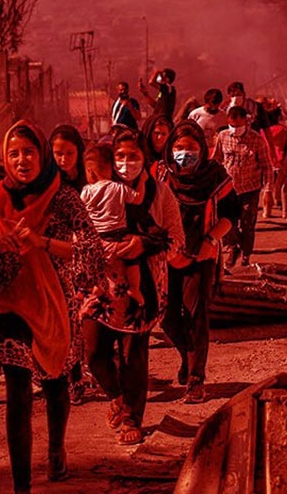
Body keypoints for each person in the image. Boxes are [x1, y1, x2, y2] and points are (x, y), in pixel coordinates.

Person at [0, 121, 105, 492]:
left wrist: (42, 242)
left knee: (55, 381)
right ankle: (22, 485)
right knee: (18, 389)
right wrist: (1, 249)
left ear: (41, 155)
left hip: (51, 302)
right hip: (5, 304)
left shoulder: (62, 196)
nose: (21, 160)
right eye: (13, 153)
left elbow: (90, 249)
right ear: (4, 158)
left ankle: (56, 449)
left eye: (28, 152)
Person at [81, 129, 184, 445]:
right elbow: (78, 231)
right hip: (99, 284)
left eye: (134, 156)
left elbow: (176, 240)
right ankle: (116, 395)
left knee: (133, 355)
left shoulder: (160, 194)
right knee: (92, 352)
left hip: (143, 284)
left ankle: (131, 418)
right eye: (120, 157)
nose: (127, 163)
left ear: (145, 158)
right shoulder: (97, 191)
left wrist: (143, 244)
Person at [160, 121, 239, 404]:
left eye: (191, 147)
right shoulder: (161, 176)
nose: (185, 153)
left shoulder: (216, 177)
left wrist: (211, 240)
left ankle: (196, 380)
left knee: (196, 317)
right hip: (167, 256)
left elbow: (231, 214)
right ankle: (186, 355)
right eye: (179, 147)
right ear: (171, 149)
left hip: (202, 256)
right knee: (166, 319)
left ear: (202, 149)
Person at [79, 143, 145, 307]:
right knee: (132, 260)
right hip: (118, 236)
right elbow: (138, 199)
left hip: (96, 237)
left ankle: (94, 287)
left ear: (90, 171)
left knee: (93, 263)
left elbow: (80, 211)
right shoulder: (118, 188)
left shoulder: (86, 190)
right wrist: (142, 181)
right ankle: (135, 288)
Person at [214, 106, 271, 267]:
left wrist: (268, 190)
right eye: (232, 125)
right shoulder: (223, 136)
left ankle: (246, 255)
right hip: (228, 189)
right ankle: (234, 247)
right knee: (226, 222)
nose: (235, 129)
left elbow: (267, 166)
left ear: (246, 122)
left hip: (250, 189)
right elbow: (217, 160)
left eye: (239, 125)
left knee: (247, 224)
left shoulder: (256, 140)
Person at [49, 124, 87, 192]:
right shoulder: (49, 180)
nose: (64, 159)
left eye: (70, 153)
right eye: (59, 154)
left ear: (78, 150)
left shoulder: (90, 174)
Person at [140, 114, 172, 179]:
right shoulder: (142, 154)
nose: (159, 137)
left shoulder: (171, 158)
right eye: (157, 133)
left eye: (163, 134)